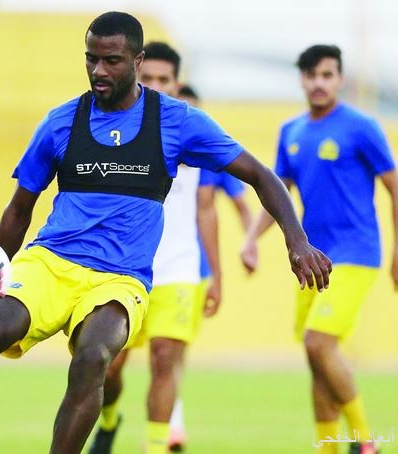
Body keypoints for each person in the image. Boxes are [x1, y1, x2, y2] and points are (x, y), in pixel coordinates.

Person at [0, 13, 331, 454]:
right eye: (91, 59)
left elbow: (261, 175)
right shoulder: (61, 121)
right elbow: (18, 211)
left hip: (120, 277)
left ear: (137, 61)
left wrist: (296, 240)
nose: (99, 70)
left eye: (112, 60)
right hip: (51, 261)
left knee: (94, 354)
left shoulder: (177, 121)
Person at [241, 45, 397, 454]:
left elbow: (394, 186)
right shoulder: (291, 132)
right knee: (317, 360)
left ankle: (365, 441)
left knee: (318, 343)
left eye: (327, 74)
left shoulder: (362, 127)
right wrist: (252, 239)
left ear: (339, 78)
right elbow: (279, 192)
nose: (318, 83)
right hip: (312, 260)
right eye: (311, 75)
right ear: (302, 79)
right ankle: (330, 448)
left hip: (356, 253)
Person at [88, 42, 222, 454]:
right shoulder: (111, 131)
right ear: (135, 77)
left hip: (179, 271)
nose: (157, 87)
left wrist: (217, 275)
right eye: (149, 79)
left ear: (178, 83)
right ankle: (109, 419)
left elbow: (206, 209)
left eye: (165, 80)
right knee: (108, 368)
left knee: (165, 360)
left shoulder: (193, 134)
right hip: (123, 271)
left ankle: (156, 447)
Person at [169, 83, 254, 452]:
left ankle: (173, 422)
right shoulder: (156, 153)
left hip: (192, 269)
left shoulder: (210, 159)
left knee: (171, 349)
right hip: (143, 264)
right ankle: (112, 418)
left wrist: (249, 242)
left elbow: (242, 204)